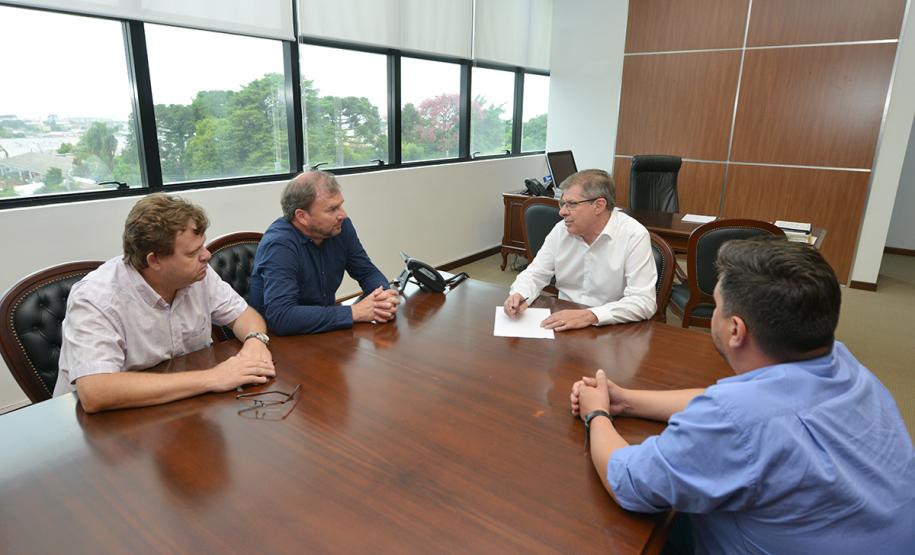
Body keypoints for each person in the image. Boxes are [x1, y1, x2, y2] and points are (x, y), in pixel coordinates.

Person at [571, 237, 915, 554]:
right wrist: (626, 400)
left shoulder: (734, 419)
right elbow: (738, 406)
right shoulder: (842, 361)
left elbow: (629, 481)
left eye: (718, 307)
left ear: (735, 329)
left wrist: (597, 413)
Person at [55, 194, 275, 413]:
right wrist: (213, 377)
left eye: (203, 246)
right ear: (154, 260)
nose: (206, 255)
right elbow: (96, 392)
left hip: (179, 406)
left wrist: (255, 341)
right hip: (102, 426)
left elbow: (244, 316)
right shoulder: (96, 297)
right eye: (192, 252)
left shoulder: (197, 275)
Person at [502, 169, 656, 331]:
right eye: (562, 204)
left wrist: (590, 315)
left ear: (599, 205)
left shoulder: (634, 235)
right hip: (563, 321)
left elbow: (643, 301)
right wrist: (519, 294)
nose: (562, 212)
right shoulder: (560, 230)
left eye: (572, 204)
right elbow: (535, 274)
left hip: (611, 326)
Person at [248, 170, 399, 335]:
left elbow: (367, 272)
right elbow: (282, 317)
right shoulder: (280, 245)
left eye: (340, 205)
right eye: (332, 209)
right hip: (277, 342)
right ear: (302, 216)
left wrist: (382, 297)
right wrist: (355, 312)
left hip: (323, 330)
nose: (343, 215)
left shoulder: (340, 228)